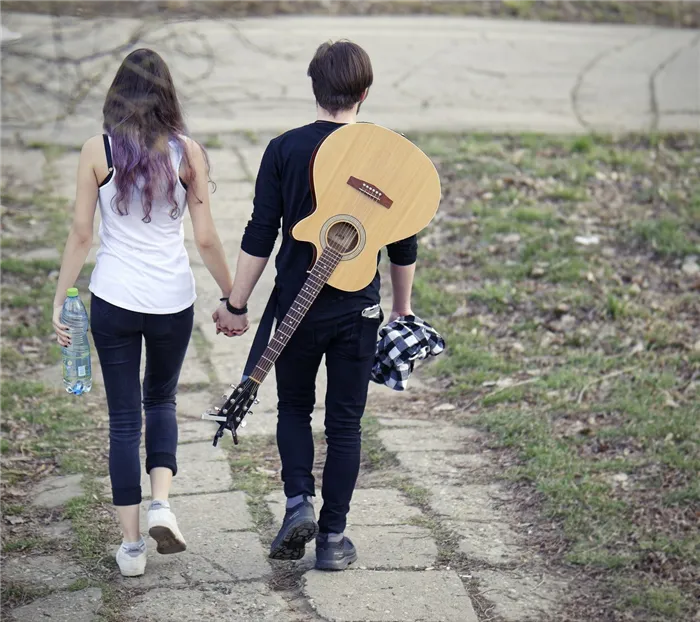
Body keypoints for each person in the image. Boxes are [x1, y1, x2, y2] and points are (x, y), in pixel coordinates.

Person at [214, 40, 418, 570]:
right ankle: (331, 540)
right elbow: (404, 245)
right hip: (358, 312)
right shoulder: (385, 155)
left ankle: (297, 501)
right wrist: (401, 309)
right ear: (365, 93)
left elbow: (261, 232)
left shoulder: (284, 149)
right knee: (345, 425)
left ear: (314, 88)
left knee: (294, 410)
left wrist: (236, 303)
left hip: (297, 311)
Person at [52, 48, 235, 577]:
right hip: (172, 300)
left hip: (114, 299)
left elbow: (82, 234)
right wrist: (232, 296)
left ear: (116, 94)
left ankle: (131, 547)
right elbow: (205, 238)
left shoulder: (97, 149)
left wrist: (61, 298)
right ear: (167, 95)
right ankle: (162, 503)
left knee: (123, 420)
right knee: (162, 399)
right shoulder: (187, 153)